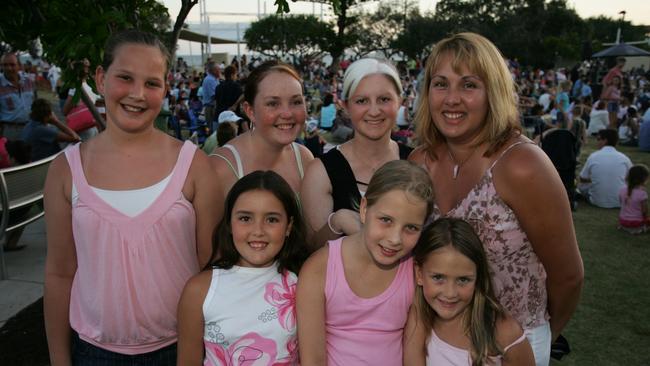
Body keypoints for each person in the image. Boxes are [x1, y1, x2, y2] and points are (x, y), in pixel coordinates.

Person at [43, 30, 220, 365]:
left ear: (165, 89)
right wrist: (59, 358)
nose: (137, 94)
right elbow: (59, 273)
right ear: (100, 78)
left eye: (152, 83)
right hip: (94, 353)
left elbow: (211, 268)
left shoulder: (194, 165)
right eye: (125, 77)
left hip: (183, 349)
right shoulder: (66, 170)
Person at [409, 32, 583, 366]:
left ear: (493, 92)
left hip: (513, 348)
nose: (452, 99)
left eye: (469, 85)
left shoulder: (522, 165)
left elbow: (568, 276)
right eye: (441, 84)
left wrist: (539, 335)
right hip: (437, 340)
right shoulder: (419, 163)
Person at [297, 160, 434, 365]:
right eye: (386, 220)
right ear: (364, 209)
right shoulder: (319, 269)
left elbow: (414, 356)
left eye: (411, 228)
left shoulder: (415, 274)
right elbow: (313, 359)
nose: (395, 239)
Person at [177, 170, 309, 365]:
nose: (258, 231)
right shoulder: (199, 290)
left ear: (288, 226)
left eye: (271, 219)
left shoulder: (304, 283)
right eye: (245, 218)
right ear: (229, 222)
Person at [301, 58, 413, 248]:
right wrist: (337, 222)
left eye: (384, 99)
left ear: (399, 102)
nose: (374, 111)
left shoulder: (415, 161)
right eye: (362, 101)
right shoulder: (321, 172)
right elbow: (312, 250)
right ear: (345, 106)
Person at [404, 218, 535, 365]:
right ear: (419, 274)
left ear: (478, 277)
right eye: (438, 277)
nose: (450, 293)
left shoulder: (504, 332)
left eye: (463, 280)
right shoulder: (420, 318)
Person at [210, 60, 314, 223]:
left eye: (296, 102)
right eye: (273, 103)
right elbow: (209, 246)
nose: (287, 114)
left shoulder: (304, 158)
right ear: (250, 111)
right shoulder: (220, 169)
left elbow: (312, 239)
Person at [578, 129, 632, 208]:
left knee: (581, 186)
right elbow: (632, 177)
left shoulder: (594, 156)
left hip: (596, 201)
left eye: (598, 139)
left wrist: (593, 179)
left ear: (605, 141)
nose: (597, 142)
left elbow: (582, 178)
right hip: (620, 201)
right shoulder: (624, 158)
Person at [0, 53, 36, 139]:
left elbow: (35, 103)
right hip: (9, 131)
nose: (8, 68)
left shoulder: (28, 81)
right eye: (5, 65)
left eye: (12, 65)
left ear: (19, 66)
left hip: (31, 128)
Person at [618, 164, 649, 234]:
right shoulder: (642, 194)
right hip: (636, 224)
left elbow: (621, 204)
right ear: (644, 179)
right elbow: (644, 212)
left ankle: (624, 227)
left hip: (623, 221)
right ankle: (641, 228)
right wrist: (646, 220)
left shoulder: (622, 190)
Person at [202, 61, 220, 131]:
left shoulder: (215, 79)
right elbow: (214, 96)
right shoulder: (210, 80)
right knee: (212, 129)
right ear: (213, 70)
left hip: (212, 107)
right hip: (211, 108)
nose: (220, 71)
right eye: (218, 69)